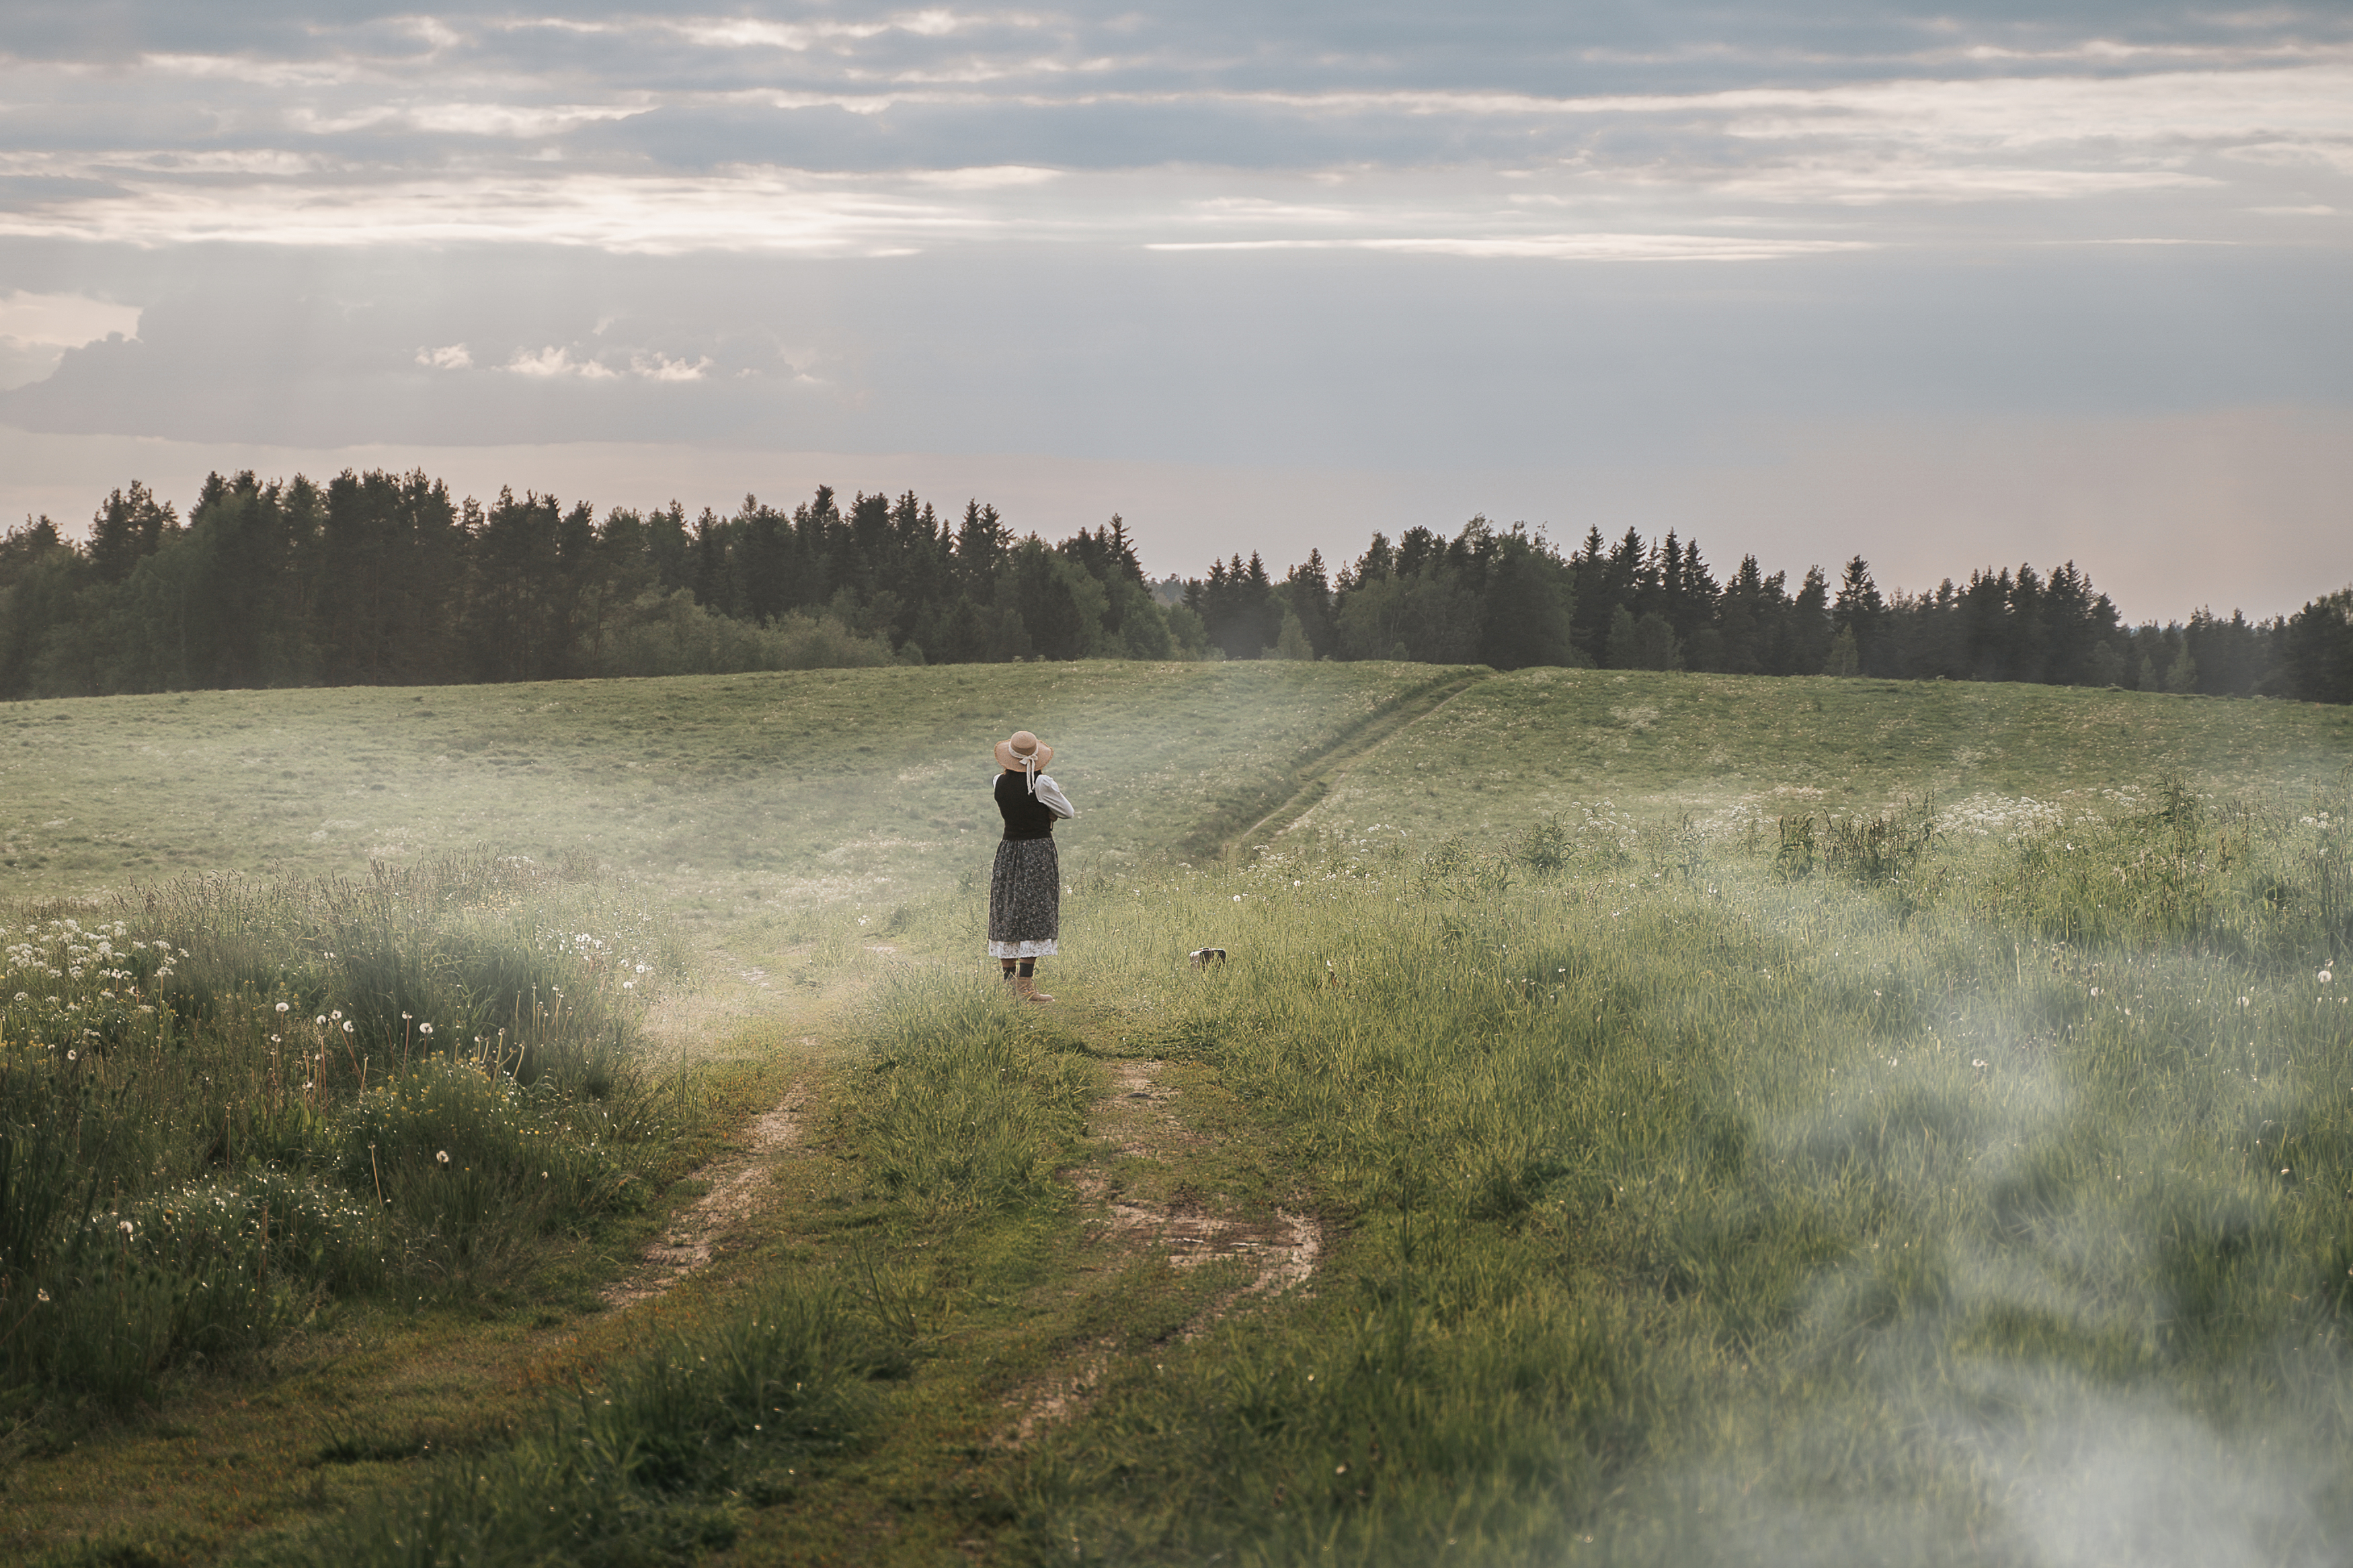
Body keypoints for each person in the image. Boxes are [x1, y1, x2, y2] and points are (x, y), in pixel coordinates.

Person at [988, 729, 1075, 1002]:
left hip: (1008, 850)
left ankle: (1009, 984)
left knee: (1008, 910)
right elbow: (1067, 812)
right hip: (1037, 850)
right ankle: (1025, 987)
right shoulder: (1042, 784)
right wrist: (1048, 813)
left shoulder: (998, 783)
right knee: (1035, 912)